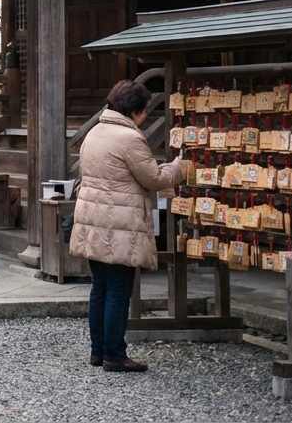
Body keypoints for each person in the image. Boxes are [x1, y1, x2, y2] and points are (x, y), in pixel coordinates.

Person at [70, 80, 188, 372]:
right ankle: (114, 354)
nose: (145, 115)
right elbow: (154, 179)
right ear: (135, 111)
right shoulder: (129, 138)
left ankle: (98, 351)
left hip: (93, 220)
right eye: (145, 110)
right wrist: (180, 167)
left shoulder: (95, 131)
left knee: (100, 288)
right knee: (119, 292)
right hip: (119, 224)